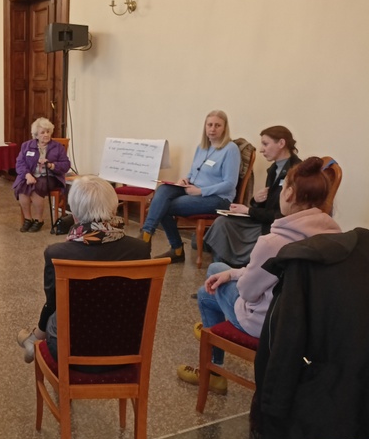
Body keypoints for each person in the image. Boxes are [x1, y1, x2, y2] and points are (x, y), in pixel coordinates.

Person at [177, 157, 341, 395]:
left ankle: (213, 371)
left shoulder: (273, 242)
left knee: (206, 292)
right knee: (217, 270)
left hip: (267, 324)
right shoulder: (333, 236)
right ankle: (211, 326)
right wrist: (233, 273)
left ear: (290, 194)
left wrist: (234, 279)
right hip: (305, 324)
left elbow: (247, 292)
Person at [17, 175, 150, 364]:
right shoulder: (140, 249)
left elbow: (53, 302)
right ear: (113, 209)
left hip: (69, 350)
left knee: (56, 310)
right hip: (126, 348)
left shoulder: (57, 253)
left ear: (75, 216)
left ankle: (34, 339)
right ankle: (33, 339)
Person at [140, 110, 240, 263]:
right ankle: (148, 233)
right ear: (205, 127)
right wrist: (185, 179)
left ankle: (171, 247)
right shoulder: (202, 147)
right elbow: (194, 172)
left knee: (164, 206)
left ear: (225, 128)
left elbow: (230, 184)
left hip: (218, 198)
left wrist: (200, 191)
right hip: (194, 190)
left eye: (217, 125)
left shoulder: (231, 149)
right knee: (164, 190)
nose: (213, 129)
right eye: (210, 125)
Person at [203, 126, 302, 266]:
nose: (261, 149)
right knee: (222, 222)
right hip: (266, 220)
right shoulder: (273, 170)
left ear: (281, 143)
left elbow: (282, 216)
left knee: (225, 226)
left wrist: (249, 210)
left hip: (276, 227)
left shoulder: (297, 172)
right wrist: (255, 201)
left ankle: (223, 268)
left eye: (265, 144)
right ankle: (220, 268)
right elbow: (269, 205)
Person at [13, 117, 71, 233]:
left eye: (48, 132)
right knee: (22, 188)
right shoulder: (27, 146)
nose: (46, 135)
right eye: (42, 132)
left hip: (50, 176)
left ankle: (39, 220)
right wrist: (27, 175)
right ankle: (28, 219)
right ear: (36, 134)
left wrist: (51, 165)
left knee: (37, 188)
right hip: (30, 175)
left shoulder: (57, 147)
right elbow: (20, 163)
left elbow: (66, 164)